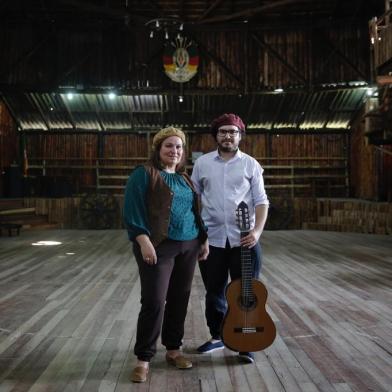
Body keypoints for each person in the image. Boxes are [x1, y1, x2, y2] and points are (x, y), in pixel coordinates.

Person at [123, 126, 209, 383]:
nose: (174, 151)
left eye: (179, 147)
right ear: (158, 149)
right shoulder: (144, 174)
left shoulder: (185, 178)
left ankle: (173, 350)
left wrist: (202, 240)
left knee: (179, 299)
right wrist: (143, 241)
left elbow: (195, 211)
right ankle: (144, 358)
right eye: (169, 146)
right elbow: (132, 210)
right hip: (158, 245)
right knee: (154, 300)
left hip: (189, 245)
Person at [191, 113, 269, 364]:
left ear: (240, 136)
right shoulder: (202, 164)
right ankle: (218, 336)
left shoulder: (251, 165)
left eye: (232, 132)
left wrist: (256, 232)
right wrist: (198, 233)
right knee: (214, 291)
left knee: (245, 293)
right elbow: (194, 199)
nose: (228, 136)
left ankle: (246, 341)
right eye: (223, 131)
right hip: (211, 238)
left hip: (244, 240)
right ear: (216, 135)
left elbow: (261, 201)